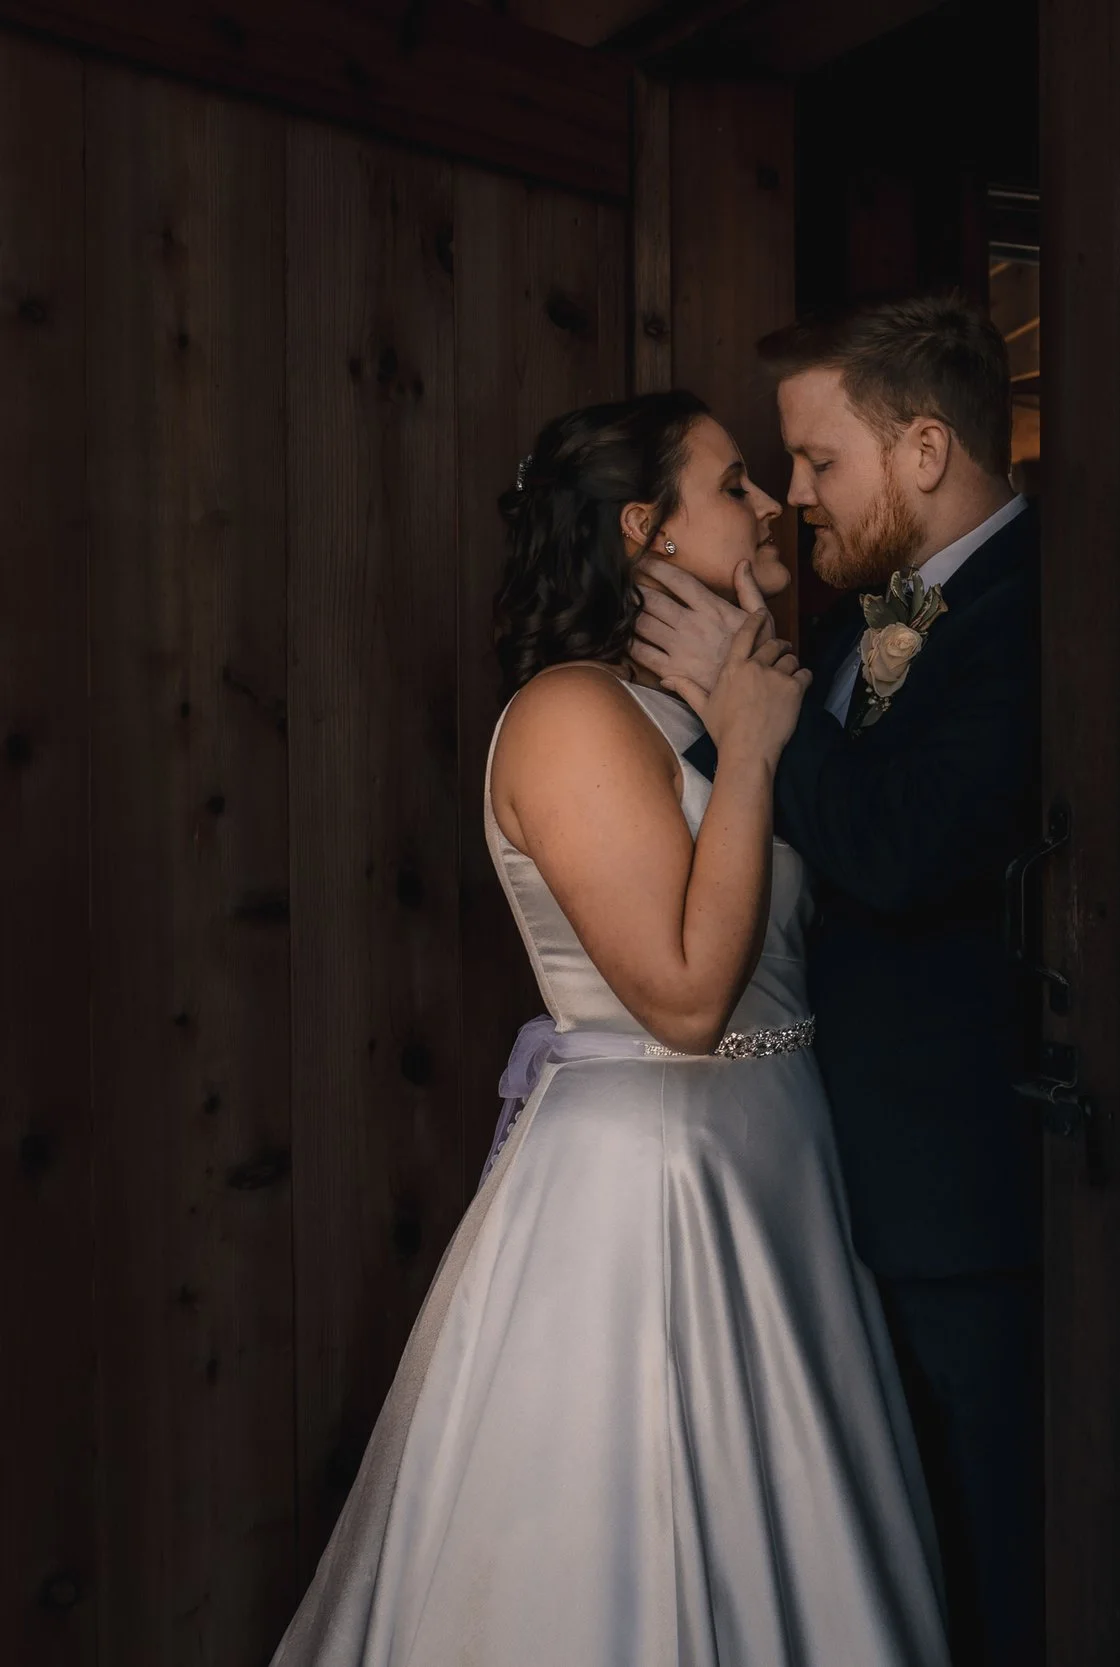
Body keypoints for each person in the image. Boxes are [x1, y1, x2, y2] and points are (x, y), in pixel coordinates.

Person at [272, 391, 947, 1665]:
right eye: (734, 484)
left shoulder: (709, 702)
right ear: (645, 528)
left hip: (777, 1166)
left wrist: (746, 724)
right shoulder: (572, 715)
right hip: (655, 1192)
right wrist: (750, 754)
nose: (768, 506)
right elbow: (688, 999)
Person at [633, 295, 1041, 1667]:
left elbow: (905, 845)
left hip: (960, 1192)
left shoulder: (1038, 607)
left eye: (818, 462)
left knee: (987, 1572)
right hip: (834, 1179)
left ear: (924, 448)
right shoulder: (872, 621)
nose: (793, 498)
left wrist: (758, 724)